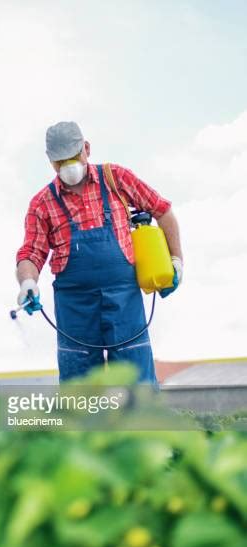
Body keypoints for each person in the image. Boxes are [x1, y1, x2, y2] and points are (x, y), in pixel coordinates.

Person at [15, 121, 183, 385]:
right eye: (60, 162)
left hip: (124, 301)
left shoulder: (116, 178)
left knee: (136, 386)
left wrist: (176, 260)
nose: (68, 166)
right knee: (80, 394)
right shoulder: (41, 203)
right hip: (75, 309)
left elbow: (162, 210)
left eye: (73, 156)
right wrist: (27, 282)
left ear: (87, 149)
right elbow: (31, 253)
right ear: (50, 162)